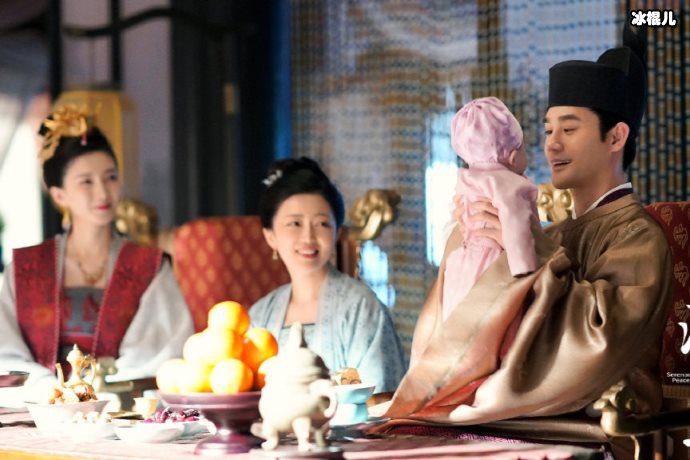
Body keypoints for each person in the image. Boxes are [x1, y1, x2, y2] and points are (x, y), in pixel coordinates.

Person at [385, 26, 672, 451]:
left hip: (594, 429)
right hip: (508, 420)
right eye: (548, 130)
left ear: (615, 136)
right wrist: (465, 247)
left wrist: (533, 253)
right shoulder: (546, 231)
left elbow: (599, 341)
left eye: (568, 130)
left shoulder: (640, 238)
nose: (551, 144)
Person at [0, 105, 193, 401]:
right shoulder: (25, 268)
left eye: (110, 177)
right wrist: (51, 390)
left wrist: (97, 393)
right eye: (86, 182)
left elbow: (162, 353)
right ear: (59, 195)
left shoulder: (149, 267)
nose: (103, 192)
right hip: (39, 407)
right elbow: (5, 352)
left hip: (120, 411)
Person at [249, 157, 406, 393]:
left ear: (336, 233)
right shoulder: (260, 314)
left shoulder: (361, 307)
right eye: (295, 224)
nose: (308, 238)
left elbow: (379, 396)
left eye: (322, 224)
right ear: (270, 236)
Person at [442, 96, 538, 323]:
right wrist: (527, 271)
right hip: (494, 265)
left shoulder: (465, 178)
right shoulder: (510, 185)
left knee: (459, 324)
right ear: (513, 157)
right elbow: (515, 228)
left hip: (460, 265)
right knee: (502, 325)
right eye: (522, 147)